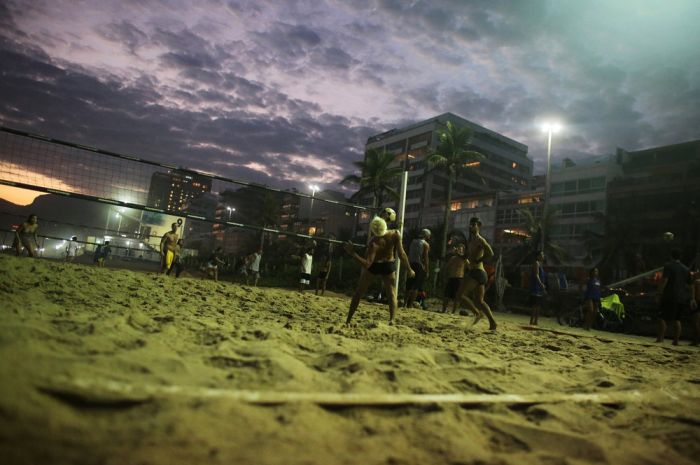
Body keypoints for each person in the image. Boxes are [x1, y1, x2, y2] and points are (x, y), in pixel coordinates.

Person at [344, 216, 415, 325]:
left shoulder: (374, 242)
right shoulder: (395, 234)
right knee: (391, 293)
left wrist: (353, 253)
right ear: (385, 225)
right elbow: (402, 254)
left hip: (374, 266)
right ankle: (392, 320)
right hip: (388, 265)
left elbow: (367, 264)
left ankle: (348, 320)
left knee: (359, 292)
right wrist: (409, 269)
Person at [454, 217, 498, 330]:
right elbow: (467, 258)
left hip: (478, 272)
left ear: (478, 226)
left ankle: (477, 314)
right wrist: (459, 254)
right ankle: (493, 323)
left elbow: (491, 253)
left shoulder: (480, 240)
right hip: (477, 272)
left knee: (460, 295)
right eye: (470, 224)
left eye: (473, 224)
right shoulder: (470, 241)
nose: (471, 226)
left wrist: (479, 260)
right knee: (479, 301)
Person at [656, 249, 695, 346]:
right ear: (680, 257)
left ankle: (660, 339)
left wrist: (659, 292)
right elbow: (691, 285)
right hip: (681, 297)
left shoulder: (668, 266)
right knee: (677, 319)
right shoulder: (686, 269)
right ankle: (676, 341)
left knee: (662, 317)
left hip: (669, 296)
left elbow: (665, 280)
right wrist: (692, 298)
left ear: (671, 256)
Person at [404, 228, 431, 309]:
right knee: (416, 286)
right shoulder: (425, 244)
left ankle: (404, 303)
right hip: (419, 265)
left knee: (409, 285)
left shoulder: (413, 241)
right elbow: (425, 258)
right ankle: (410, 305)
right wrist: (427, 269)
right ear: (427, 236)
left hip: (411, 264)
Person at [442, 243, 468, 313]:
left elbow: (469, 265)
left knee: (457, 297)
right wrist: (445, 276)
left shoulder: (464, 259)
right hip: (451, 278)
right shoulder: (453, 258)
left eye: (460, 249)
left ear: (463, 251)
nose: (459, 250)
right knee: (446, 295)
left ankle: (453, 312)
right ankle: (443, 310)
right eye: (458, 248)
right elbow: (447, 267)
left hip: (459, 279)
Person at [529, 251, 547, 326]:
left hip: (539, 288)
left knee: (538, 305)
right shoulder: (536, 263)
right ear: (538, 256)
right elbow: (536, 275)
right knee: (535, 305)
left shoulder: (540, 264)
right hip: (536, 287)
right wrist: (541, 284)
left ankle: (535, 321)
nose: (543, 256)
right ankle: (532, 321)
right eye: (542, 255)